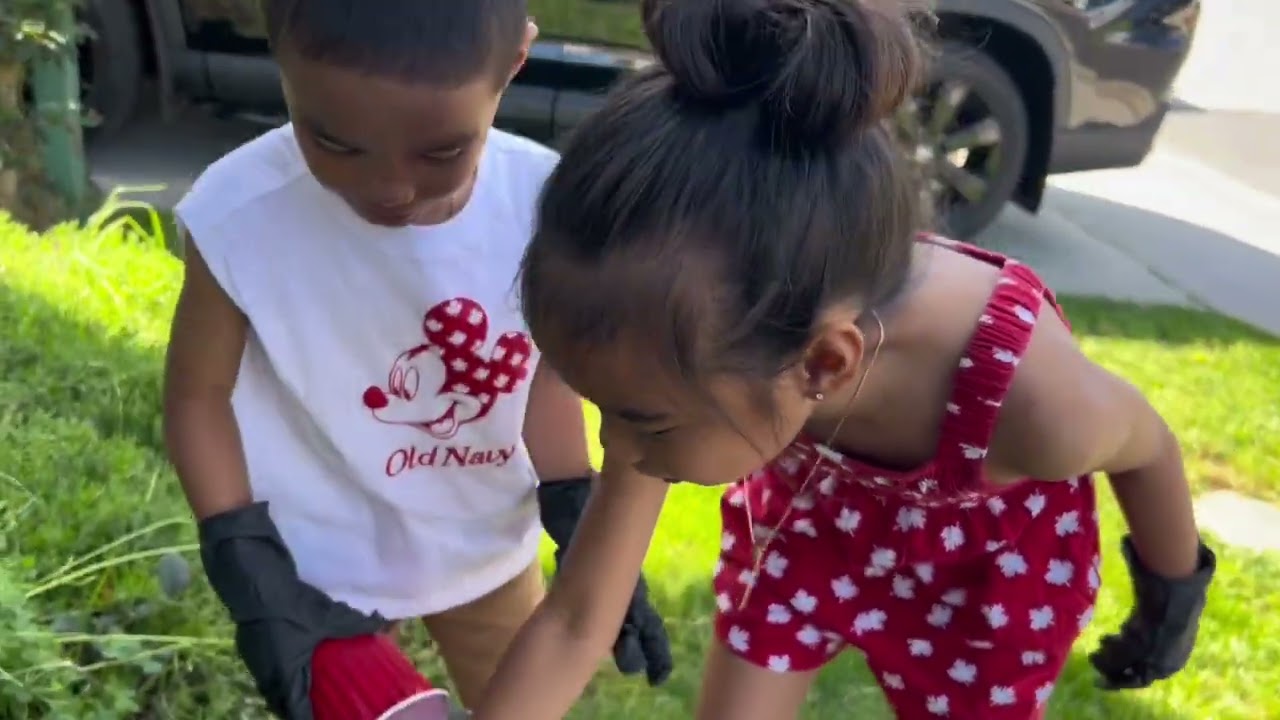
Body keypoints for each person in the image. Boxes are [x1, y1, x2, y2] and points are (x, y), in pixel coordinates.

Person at [469, 0, 1217, 718]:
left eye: (640, 424)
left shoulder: (1040, 407)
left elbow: (1147, 443)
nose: (616, 449)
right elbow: (575, 622)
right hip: (813, 524)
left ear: (825, 366)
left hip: (985, 573)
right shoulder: (685, 356)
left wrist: (1170, 595)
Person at [161, 1, 671, 717]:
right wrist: (244, 560)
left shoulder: (542, 202)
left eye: (440, 153)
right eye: (335, 143)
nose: (389, 188)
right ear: (277, 56)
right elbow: (197, 397)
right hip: (320, 564)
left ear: (515, 60)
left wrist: (573, 503)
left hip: (483, 544)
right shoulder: (236, 213)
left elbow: (538, 371)